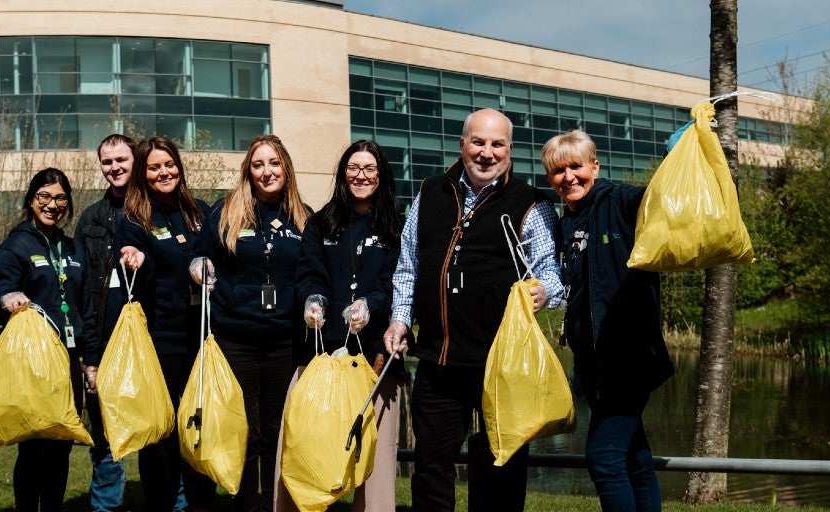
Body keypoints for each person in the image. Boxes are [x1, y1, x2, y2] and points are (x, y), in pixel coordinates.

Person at [381, 108, 563, 512]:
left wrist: (543, 293)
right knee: (430, 467)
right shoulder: (430, 192)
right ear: (462, 145)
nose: (487, 153)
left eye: (497, 144)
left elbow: (552, 272)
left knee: (503, 465)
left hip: (501, 363)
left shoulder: (532, 203)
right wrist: (399, 318)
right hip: (438, 358)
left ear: (510, 150)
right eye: (478, 142)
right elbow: (408, 265)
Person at [541, 129, 673, 512]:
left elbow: (659, 197)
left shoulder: (620, 201)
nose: (568, 177)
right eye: (558, 171)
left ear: (595, 167)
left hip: (631, 356)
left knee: (604, 456)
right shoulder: (566, 222)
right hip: (596, 364)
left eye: (576, 167)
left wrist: (680, 157)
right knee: (633, 457)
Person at [190, 134, 311, 512]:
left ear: (286, 169)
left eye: (274, 163)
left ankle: (277, 504)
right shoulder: (225, 212)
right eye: (258, 164)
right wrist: (199, 268)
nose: (266, 171)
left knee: (277, 433)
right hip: (236, 340)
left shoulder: (303, 216)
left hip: (285, 343)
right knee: (244, 431)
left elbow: (313, 272)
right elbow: (200, 256)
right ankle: (245, 506)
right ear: (248, 171)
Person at [294, 140, 406, 512]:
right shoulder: (322, 221)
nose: (361, 176)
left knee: (376, 461)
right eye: (354, 168)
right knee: (308, 449)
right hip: (323, 357)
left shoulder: (397, 227)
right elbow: (310, 272)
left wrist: (371, 307)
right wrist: (314, 300)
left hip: (377, 357)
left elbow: (398, 283)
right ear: (343, 173)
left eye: (370, 169)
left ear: (382, 175)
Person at [0, 168, 93, 512]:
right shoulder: (15, 245)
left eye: (60, 198)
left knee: (60, 445)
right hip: (32, 364)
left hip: (68, 362)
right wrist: (8, 298)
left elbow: (85, 306)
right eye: (44, 197)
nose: (52, 205)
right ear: (31, 200)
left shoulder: (73, 247)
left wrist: (90, 361)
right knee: (34, 448)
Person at [117, 135, 215, 512]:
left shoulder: (199, 211)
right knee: (161, 438)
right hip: (161, 342)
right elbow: (136, 270)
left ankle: (200, 505)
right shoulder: (133, 219)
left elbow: (214, 254)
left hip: (201, 339)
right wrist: (135, 258)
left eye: (169, 164)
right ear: (143, 173)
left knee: (200, 430)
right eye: (154, 167)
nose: (164, 172)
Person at [74, 134, 133, 512]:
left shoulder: (155, 212)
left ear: (135, 160)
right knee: (107, 447)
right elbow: (82, 295)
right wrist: (89, 357)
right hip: (105, 348)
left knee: (164, 438)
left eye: (122, 159)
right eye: (108, 161)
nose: (115, 167)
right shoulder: (90, 219)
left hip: (153, 347)